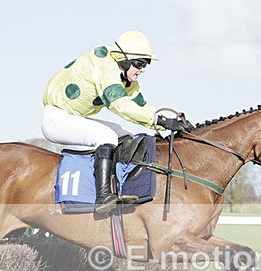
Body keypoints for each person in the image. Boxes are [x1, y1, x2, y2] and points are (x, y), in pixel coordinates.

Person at [42, 30, 193, 214]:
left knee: (125, 136)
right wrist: (160, 121)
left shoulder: (126, 79)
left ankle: (119, 187)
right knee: (106, 136)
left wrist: (169, 122)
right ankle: (103, 196)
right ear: (125, 60)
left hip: (72, 116)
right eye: (139, 64)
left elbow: (141, 107)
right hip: (56, 118)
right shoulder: (105, 68)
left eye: (146, 64)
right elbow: (120, 105)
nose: (142, 69)